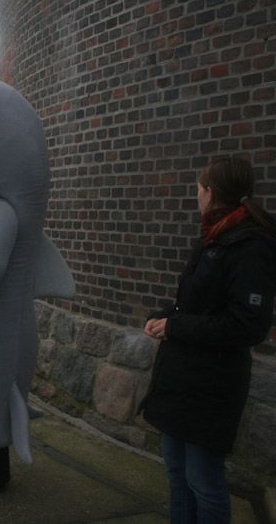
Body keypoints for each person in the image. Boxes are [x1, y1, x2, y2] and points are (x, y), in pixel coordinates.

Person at [140, 157, 276, 523]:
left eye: (199, 188)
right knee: (177, 474)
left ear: (210, 192)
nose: (196, 194)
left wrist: (175, 327)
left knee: (204, 480)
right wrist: (164, 315)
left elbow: (247, 325)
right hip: (183, 380)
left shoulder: (250, 247)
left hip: (211, 387)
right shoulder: (214, 236)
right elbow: (195, 304)